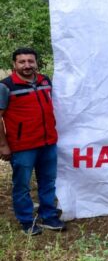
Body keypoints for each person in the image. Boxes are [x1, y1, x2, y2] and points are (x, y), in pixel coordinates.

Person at [0, 48, 65, 235]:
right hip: (22, 146)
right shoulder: (6, 86)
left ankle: (49, 216)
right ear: (14, 64)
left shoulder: (45, 81)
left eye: (30, 61)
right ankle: (26, 221)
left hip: (48, 142)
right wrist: (3, 145)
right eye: (22, 62)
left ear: (36, 63)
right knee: (22, 185)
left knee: (48, 182)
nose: (27, 65)